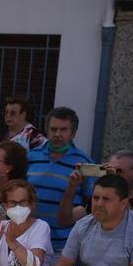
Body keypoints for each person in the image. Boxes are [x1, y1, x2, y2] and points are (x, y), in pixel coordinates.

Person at [29, 107, 91, 251]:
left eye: (63, 130)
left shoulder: (84, 163)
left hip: (63, 246)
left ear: (73, 133)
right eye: (53, 129)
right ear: (46, 130)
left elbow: (90, 204)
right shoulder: (31, 157)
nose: (57, 134)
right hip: (30, 241)